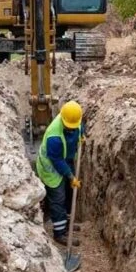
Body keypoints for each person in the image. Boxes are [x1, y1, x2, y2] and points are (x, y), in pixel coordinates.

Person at [36, 101, 84, 246]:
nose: (71, 130)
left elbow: (79, 127)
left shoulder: (74, 120)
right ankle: (59, 233)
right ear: (63, 120)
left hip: (65, 159)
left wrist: (82, 135)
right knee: (58, 198)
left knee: (69, 193)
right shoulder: (54, 137)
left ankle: (66, 221)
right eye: (69, 128)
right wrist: (70, 176)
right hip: (51, 167)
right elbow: (57, 161)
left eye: (73, 127)